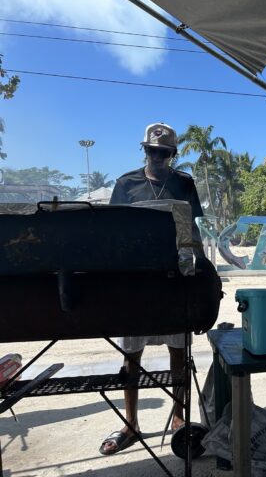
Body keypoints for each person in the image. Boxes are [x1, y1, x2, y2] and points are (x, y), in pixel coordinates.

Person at [99, 122, 207, 455]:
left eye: (164, 152)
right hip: (137, 281)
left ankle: (178, 416)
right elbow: (113, 230)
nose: (157, 156)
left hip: (175, 278)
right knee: (131, 355)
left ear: (173, 154)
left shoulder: (184, 183)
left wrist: (203, 268)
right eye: (152, 151)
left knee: (179, 352)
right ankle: (131, 424)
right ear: (144, 150)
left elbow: (195, 229)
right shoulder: (125, 183)